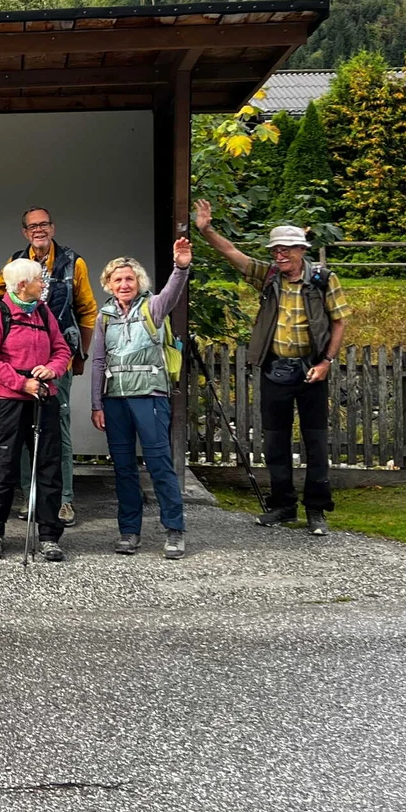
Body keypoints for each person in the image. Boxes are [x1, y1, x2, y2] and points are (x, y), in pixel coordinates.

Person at [191, 201, 349, 536]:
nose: (279, 255)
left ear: (301, 250)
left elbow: (339, 321)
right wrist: (206, 230)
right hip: (274, 369)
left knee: (316, 443)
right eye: (275, 250)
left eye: (286, 250)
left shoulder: (323, 279)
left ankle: (317, 511)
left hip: (312, 371)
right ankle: (283, 507)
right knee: (275, 442)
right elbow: (233, 253)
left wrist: (326, 363)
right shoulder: (269, 277)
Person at [0, 205, 98, 529]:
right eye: (32, 226)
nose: (39, 229)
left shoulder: (73, 262)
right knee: (20, 438)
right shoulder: (15, 263)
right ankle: (29, 496)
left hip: (54, 365)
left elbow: (87, 310)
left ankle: (63, 500)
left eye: (44, 224)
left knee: (55, 433)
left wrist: (80, 356)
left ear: (53, 227)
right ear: (25, 232)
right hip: (16, 375)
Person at [88, 238, 194, 558]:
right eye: (117, 279)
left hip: (149, 395)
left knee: (159, 464)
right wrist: (96, 403)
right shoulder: (104, 316)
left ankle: (174, 530)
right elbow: (97, 361)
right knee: (123, 469)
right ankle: (129, 532)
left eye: (129, 278)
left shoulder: (153, 307)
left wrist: (181, 266)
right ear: (108, 284)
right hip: (115, 400)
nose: (124, 284)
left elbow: (173, 292)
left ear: (139, 282)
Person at [0, 258, 74, 562]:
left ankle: (48, 536)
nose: (43, 285)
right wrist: (23, 383)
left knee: (48, 466)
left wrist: (52, 370)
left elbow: (62, 350)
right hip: (7, 401)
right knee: (3, 467)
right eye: (39, 281)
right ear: (22, 285)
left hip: (44, 398)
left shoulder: (44, 313)